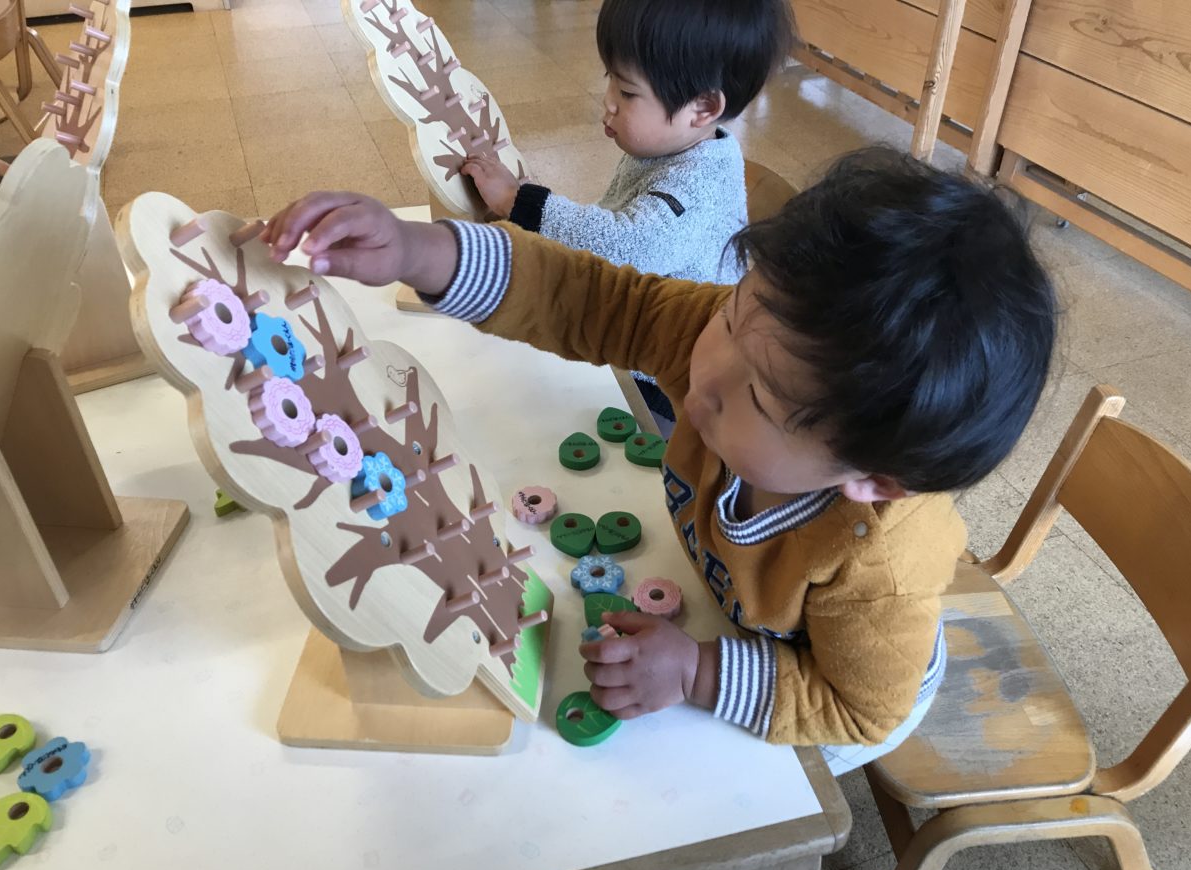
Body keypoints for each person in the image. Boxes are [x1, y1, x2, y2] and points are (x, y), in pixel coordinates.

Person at [262, 147, 1058, 774]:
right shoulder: (749, 342)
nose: (702, 378)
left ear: (871, 481)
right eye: (734, 312)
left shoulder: (879, 571)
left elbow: (858, 710)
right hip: (729, 607)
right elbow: (595, 299)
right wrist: (420, 251)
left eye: (758, 401)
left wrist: (698, 674)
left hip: (827, 684)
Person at [461, 0, 793, 430]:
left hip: (665, 388)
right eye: (610, 81)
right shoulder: (672, 145)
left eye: (628, 92)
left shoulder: (697, 185)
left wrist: (519, 202)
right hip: (637, 335)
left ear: (703, 108)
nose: (609, 103)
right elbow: (613, 225)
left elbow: (625, 246)